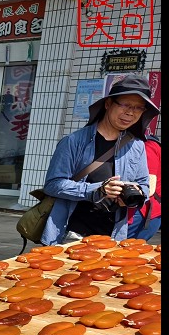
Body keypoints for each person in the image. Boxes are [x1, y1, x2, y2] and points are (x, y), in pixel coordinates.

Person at [41, 75, 157, 245]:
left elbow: (144, 185)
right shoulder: (74, 142)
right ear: (108, 104)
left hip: (114, 236)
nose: (131, 113)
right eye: (125, 105)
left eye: (139, 108)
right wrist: (98, 190)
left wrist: (137, 193)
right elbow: (53, 184)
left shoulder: (136, 146)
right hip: (72, 234)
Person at [127, 134, 161, 241]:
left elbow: (149, 187)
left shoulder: (147, 147)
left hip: (142, 212)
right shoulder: (151, 145)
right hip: (148, 212)